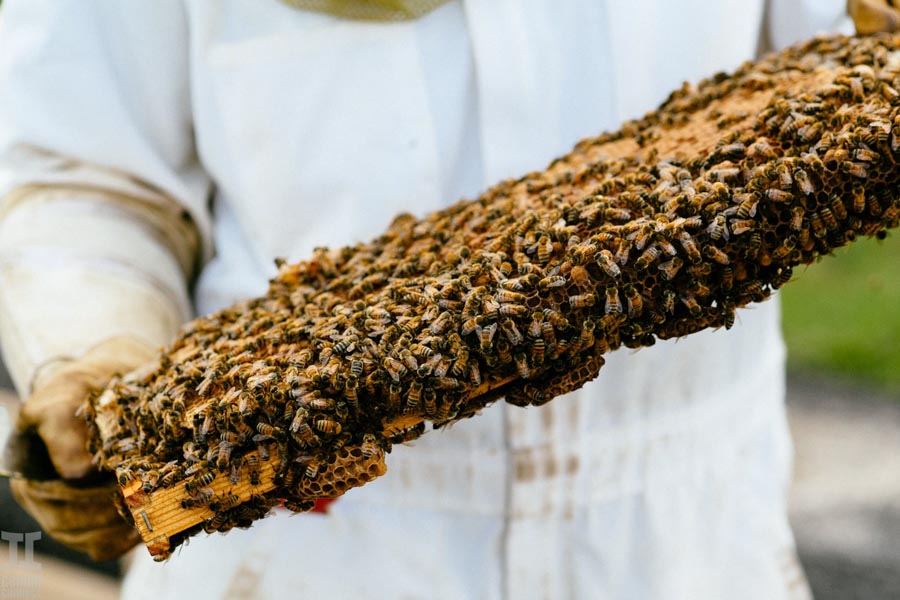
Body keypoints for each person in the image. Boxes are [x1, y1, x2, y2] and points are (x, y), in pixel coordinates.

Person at [0, 1, 879, 598]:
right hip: (309, 546)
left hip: (684, 535)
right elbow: (85, 169)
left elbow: (841, 44)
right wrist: (96, 341)